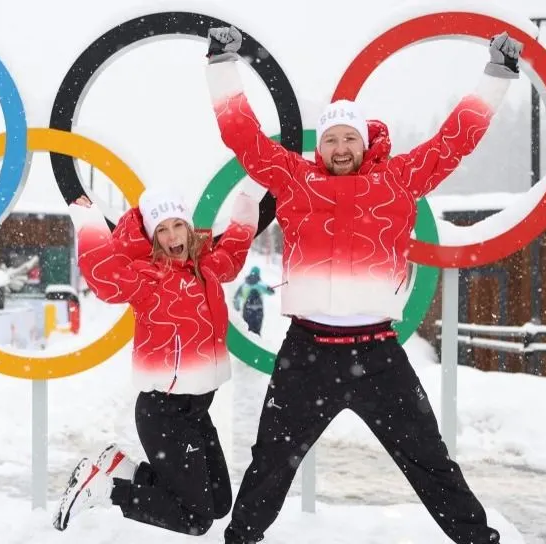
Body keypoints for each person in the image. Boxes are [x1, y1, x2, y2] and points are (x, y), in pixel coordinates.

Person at [203, 26, 523, 544]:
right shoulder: (295, 180)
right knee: (270, 463)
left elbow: (453, 142)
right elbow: (244, 138)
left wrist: (497, 75)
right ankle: (241, 539)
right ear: (321, 147)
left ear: (365, 142)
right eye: (331, 139)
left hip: (378, 355)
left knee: (430, 461)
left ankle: (478, 540)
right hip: (307, 353)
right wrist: (221, 64)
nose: (340, 147)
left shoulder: (396, 181)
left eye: (349, 137)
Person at [52, 188, 260, 537]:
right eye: (161, 229)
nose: (172, 236)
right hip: (164, 412)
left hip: (196, 411)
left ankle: (122, 470)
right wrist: (88, 223)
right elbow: (105, 279)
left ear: (189, 229)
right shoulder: (148, 278)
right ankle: (105, 489)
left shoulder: (206, 268)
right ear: (152, 237)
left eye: (178, 225)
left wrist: (247, 208)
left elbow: (232, 256)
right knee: (196, 519)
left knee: (219, 502)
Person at [233, 266, 275, 335]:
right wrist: (270, 289)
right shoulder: (261, 285)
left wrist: (237, 307)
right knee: (256, 332)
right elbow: (271, 292)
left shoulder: (244, 285)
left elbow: (236, 297)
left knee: (246, 331)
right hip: (258, 311)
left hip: (247, 310)